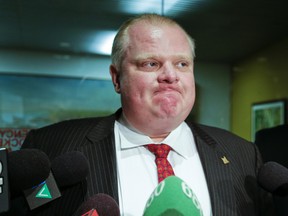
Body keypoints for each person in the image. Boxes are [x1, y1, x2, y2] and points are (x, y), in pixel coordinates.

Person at [9, 13, 274, 215]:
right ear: (116, 79)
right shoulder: (52, 148)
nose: (170, 76)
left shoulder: (243, 156)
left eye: (182, 64)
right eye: (151, 63)